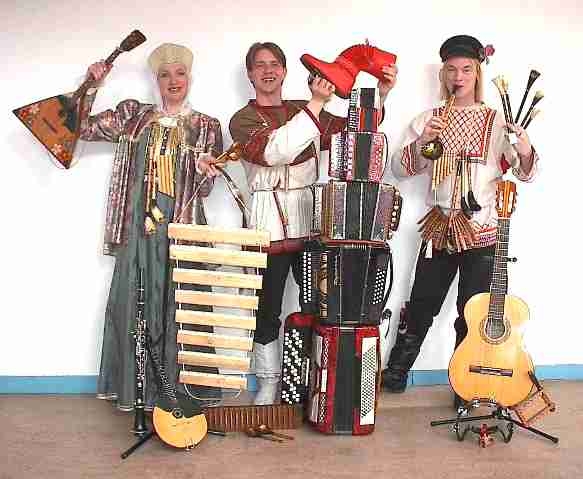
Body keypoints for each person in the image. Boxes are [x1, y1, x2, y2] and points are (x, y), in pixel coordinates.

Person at [229, 41, 397, 404]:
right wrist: (317, 103)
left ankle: (316, 381)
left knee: (322, 306)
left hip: (311, 220)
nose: (268, 71)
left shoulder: (299, 109)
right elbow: (274, 152)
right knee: (267, 309)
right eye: (260, 65)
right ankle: (269, 381)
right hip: (266, 223)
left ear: (285, 71)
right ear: (250, 74)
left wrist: (381, 94)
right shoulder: (242, 119)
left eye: (275, 64)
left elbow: (353, 131)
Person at [381, 35, 538, 409]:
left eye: (467, 69)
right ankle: (397, 371)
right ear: (443, 74)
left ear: (477, 73)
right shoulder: (429, 119)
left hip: (482, 231)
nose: (459, 76)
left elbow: (526, 173)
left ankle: (466, 383)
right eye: (451, 69)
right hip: (440, 228)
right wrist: (423, 143)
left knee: (474, 311)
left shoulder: (497, 121)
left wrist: (524, 145)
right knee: (421, 304)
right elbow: (399, 170)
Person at [80, 43, 222, 411]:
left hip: (183, 231)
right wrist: (91, 86)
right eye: (165, 74)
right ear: (156, 80)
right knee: (136, 304)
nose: (173, 80)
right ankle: (138, 390)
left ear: (189, 77)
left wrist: (205, 169)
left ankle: (181, 395)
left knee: (183, 307)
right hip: (138, 232)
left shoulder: (207, 126)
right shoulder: (134, 116)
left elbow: (206, 189)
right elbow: (80, 127)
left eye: (180, 73)